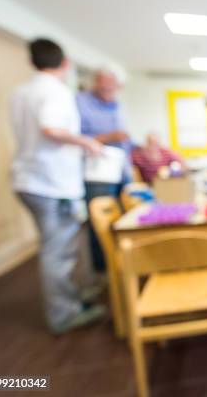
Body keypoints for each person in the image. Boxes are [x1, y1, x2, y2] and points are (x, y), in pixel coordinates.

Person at [11, 38, 106, 334]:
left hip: (28, 179)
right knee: (58, 251)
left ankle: (70, 297)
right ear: (64, 64)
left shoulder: (21, 92)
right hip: (50, 182)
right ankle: (64, 313)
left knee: (57, 247)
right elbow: (50, 128)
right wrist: (86, 141)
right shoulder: (55, 91)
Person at [77, 68, 130, 271]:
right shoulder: (81, 102)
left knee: (123, 221)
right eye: (103, 81)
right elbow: (77, 138)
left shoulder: (117, 105)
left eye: (112, 83)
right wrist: (109, 137)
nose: (108, 86)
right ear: (95, 82)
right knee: (100, 227)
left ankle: (125, 266)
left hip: (120, 171)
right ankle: (105, 271)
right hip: (98, 173)